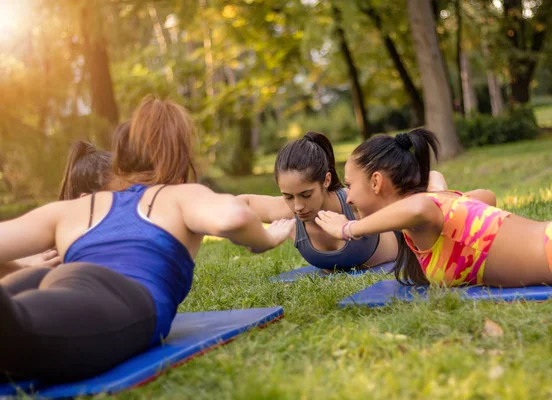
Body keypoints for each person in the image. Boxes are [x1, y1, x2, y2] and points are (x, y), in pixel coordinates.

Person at [0, 96, 294, 382]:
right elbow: (234, 217)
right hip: (116, 298)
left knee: (13, 338)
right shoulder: (179, 195)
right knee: (15, 335)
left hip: (50, 285)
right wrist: (264, 239)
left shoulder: (76, 207)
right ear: (180, 162)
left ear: (120, 164)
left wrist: (26, 264)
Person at [313, 128, 552, 288]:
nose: (347, 198)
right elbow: (487, 197)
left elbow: (418, 207)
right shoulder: (434, 214)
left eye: (350, 184)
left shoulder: (425, 209)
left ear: (375, 182)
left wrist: (349, 229)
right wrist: (440, 193)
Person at [238, 132, 448, 271]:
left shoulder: (355, 200)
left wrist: (439, 196)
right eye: (288, 196)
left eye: (306, 194)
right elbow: (237, 205)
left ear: (326, 180)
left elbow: (431, 176)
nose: (298, 206)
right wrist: (256, 237)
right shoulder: (284, 212)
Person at [0, 136, 121, 279]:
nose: (131, 202)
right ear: (87, 201)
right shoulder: (54, 249)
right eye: (120, 196)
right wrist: (24, 268)